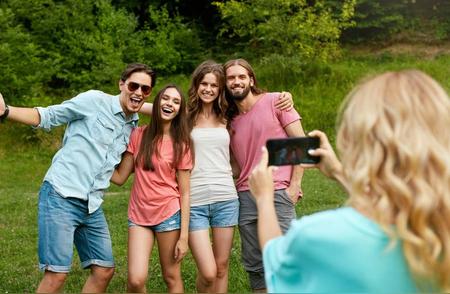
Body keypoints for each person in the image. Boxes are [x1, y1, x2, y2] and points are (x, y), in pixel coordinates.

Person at [249, 70, 450, 292]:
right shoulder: (438, 230)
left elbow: (276, 263)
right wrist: (338, 172)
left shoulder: (320, 235)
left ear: (354, 141)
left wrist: (264, 198)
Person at [0, 63, 155, 292]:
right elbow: (48, 115)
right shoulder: (93, 101)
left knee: (104, 270)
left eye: (146, 89)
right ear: (121, 84)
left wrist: (137, 103)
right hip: (61, 195)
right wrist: (6, 111)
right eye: (134, 85)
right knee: (57, 275)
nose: (139, 92)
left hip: (91, 205)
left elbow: (167, 109)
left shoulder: (131, 124)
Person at [223, 58, 306, 291]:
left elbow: (300, 143)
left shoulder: (275, 101)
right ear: (225, 84)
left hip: (278, 190)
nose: (236, 81)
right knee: (255, 264)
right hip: (245, 195)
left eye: (241, 76)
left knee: (285, 257)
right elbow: (238, 166)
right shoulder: (229, 119)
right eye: (231, 78)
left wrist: (293, 186)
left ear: (251, 79)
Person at [110, 84, 192, 293]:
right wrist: (90, 163)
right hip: (139, 216)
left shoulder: (182, 144)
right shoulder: (138, 135)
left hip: (169, 215)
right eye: (165, 98)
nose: (169, 104)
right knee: (135, 280)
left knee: (171, 276)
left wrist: (183, 237)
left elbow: (185, 193)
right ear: (157, 103)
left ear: (179, 110)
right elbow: (120, 177)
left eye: (176, 102)